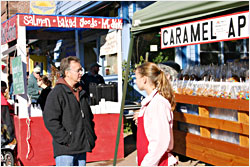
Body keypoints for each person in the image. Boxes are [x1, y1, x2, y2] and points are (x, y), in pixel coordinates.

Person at [43, 56, 97, 166]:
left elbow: (88, 117)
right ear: (67, 73)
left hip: (81, 147)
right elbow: (50, 120)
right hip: (66, 151)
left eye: (81, 70)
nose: (81, 73)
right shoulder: (57, 93)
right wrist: (67, 139)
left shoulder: (81, 91)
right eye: (78, 70)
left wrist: (91, 136)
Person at [134, 62, 177, 166]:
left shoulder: (158, 103)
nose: (135, 81)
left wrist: (146, 163)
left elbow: (160, 142)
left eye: (137, 78)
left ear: (144, 79)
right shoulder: (152, 102)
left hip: (157, 163)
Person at [1, 81, 16, 146]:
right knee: (7, 124)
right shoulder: (2, 98)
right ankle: (8, 140)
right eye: (4, 88)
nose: (5, 90)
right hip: (3, 106)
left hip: (3, 105)